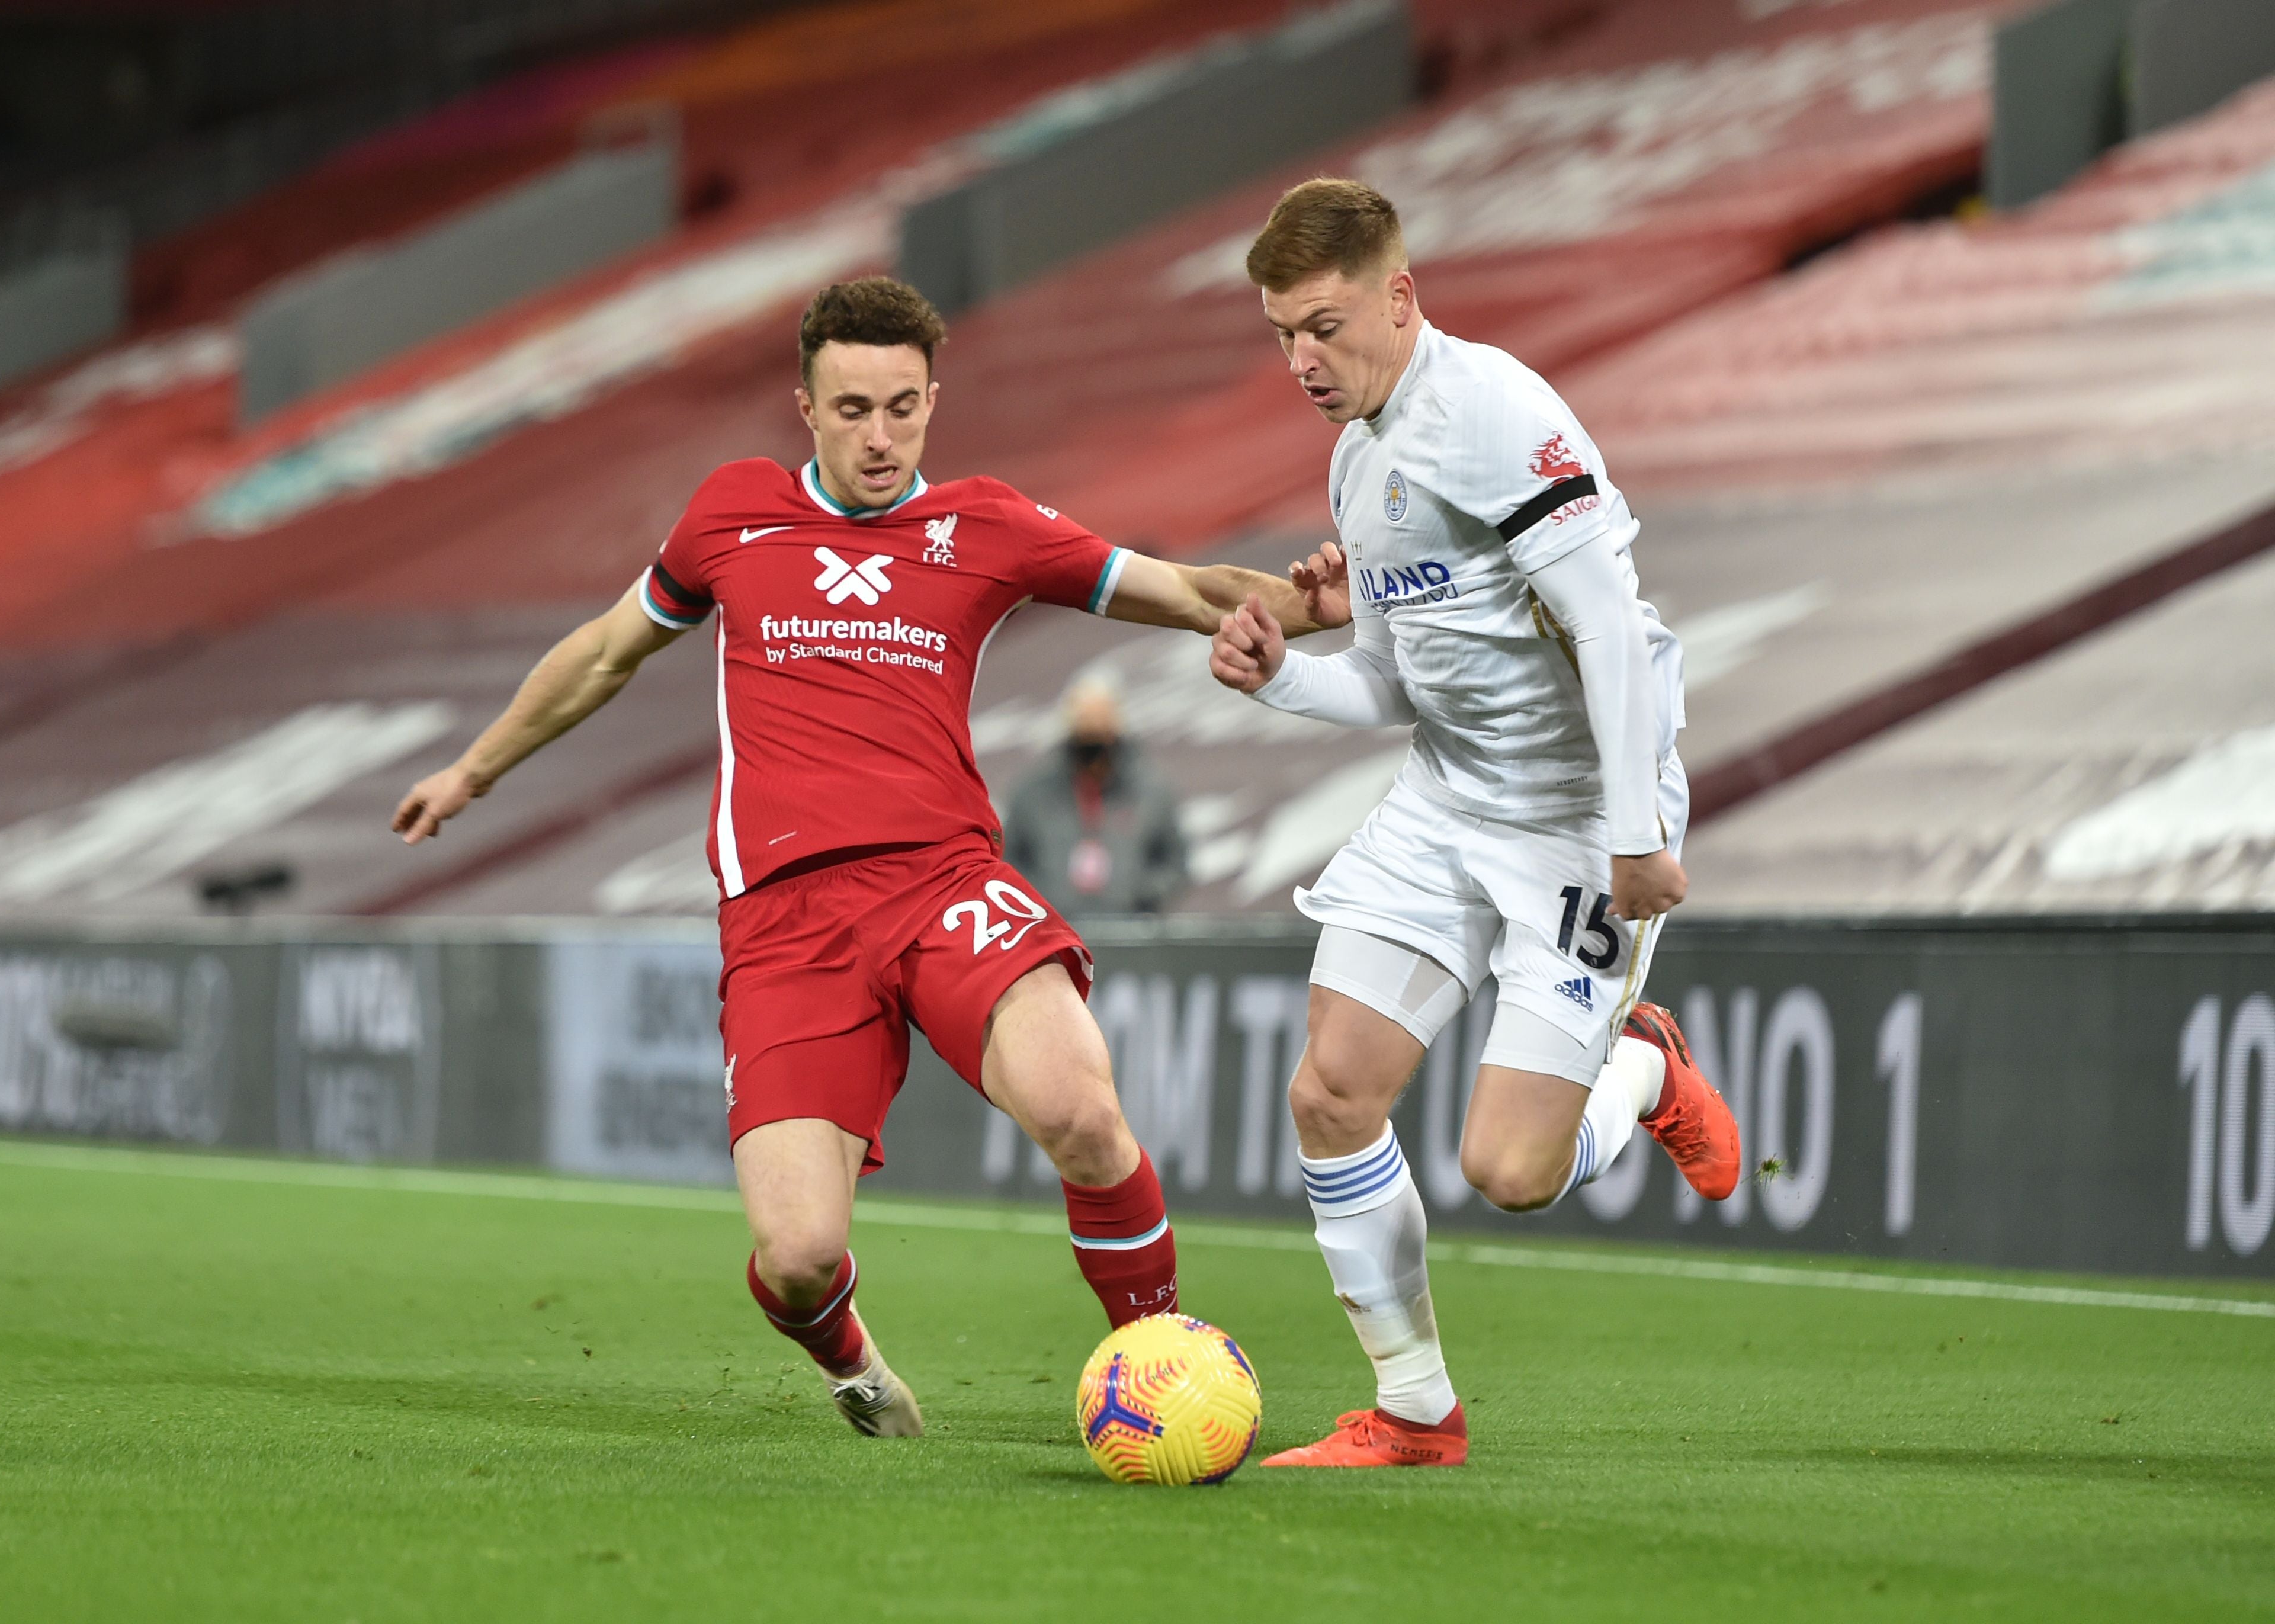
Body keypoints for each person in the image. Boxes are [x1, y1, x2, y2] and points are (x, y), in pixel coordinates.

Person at [393, 276, 1327, 1439]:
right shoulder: (732, 515)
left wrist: (1308, 607)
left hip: (942, 881)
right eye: (851, 409)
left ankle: (1160, 1363)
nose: (878, 436)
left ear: (932, 401)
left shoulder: (983, 525)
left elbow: (1186, 589)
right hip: (783, 922)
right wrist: (474, 771)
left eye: (900, 407)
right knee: (794, 1256)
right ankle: (851, 1365)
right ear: (804, 405)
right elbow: (603, 652)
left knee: (1081, 1111)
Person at [1207, 180, 1743, 1469]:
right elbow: (1394, 684)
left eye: (1323, 327)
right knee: (1330, 1092)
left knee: (1510, 1170)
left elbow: (1609, 628)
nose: (1300, 361)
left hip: (1574, 819)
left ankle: (1643, 1073)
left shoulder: (1497, 413)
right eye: (1281, 333)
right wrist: (1280, 672)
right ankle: (1411, 1410)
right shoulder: (1357, 460)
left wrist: (1629, 829)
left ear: (1398, 297)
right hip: (1449, 797)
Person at [1001, 674, 1189, 919]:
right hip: (1052, 931)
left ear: (1117, 728)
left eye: (1100, 726)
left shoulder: (1150, 791)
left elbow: (1175, 863)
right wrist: (1039, 899)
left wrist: (1141, 895)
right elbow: (1010, 860)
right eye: (1086, 726)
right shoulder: (1033, 793)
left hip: (1128, 932)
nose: (1093, 740)